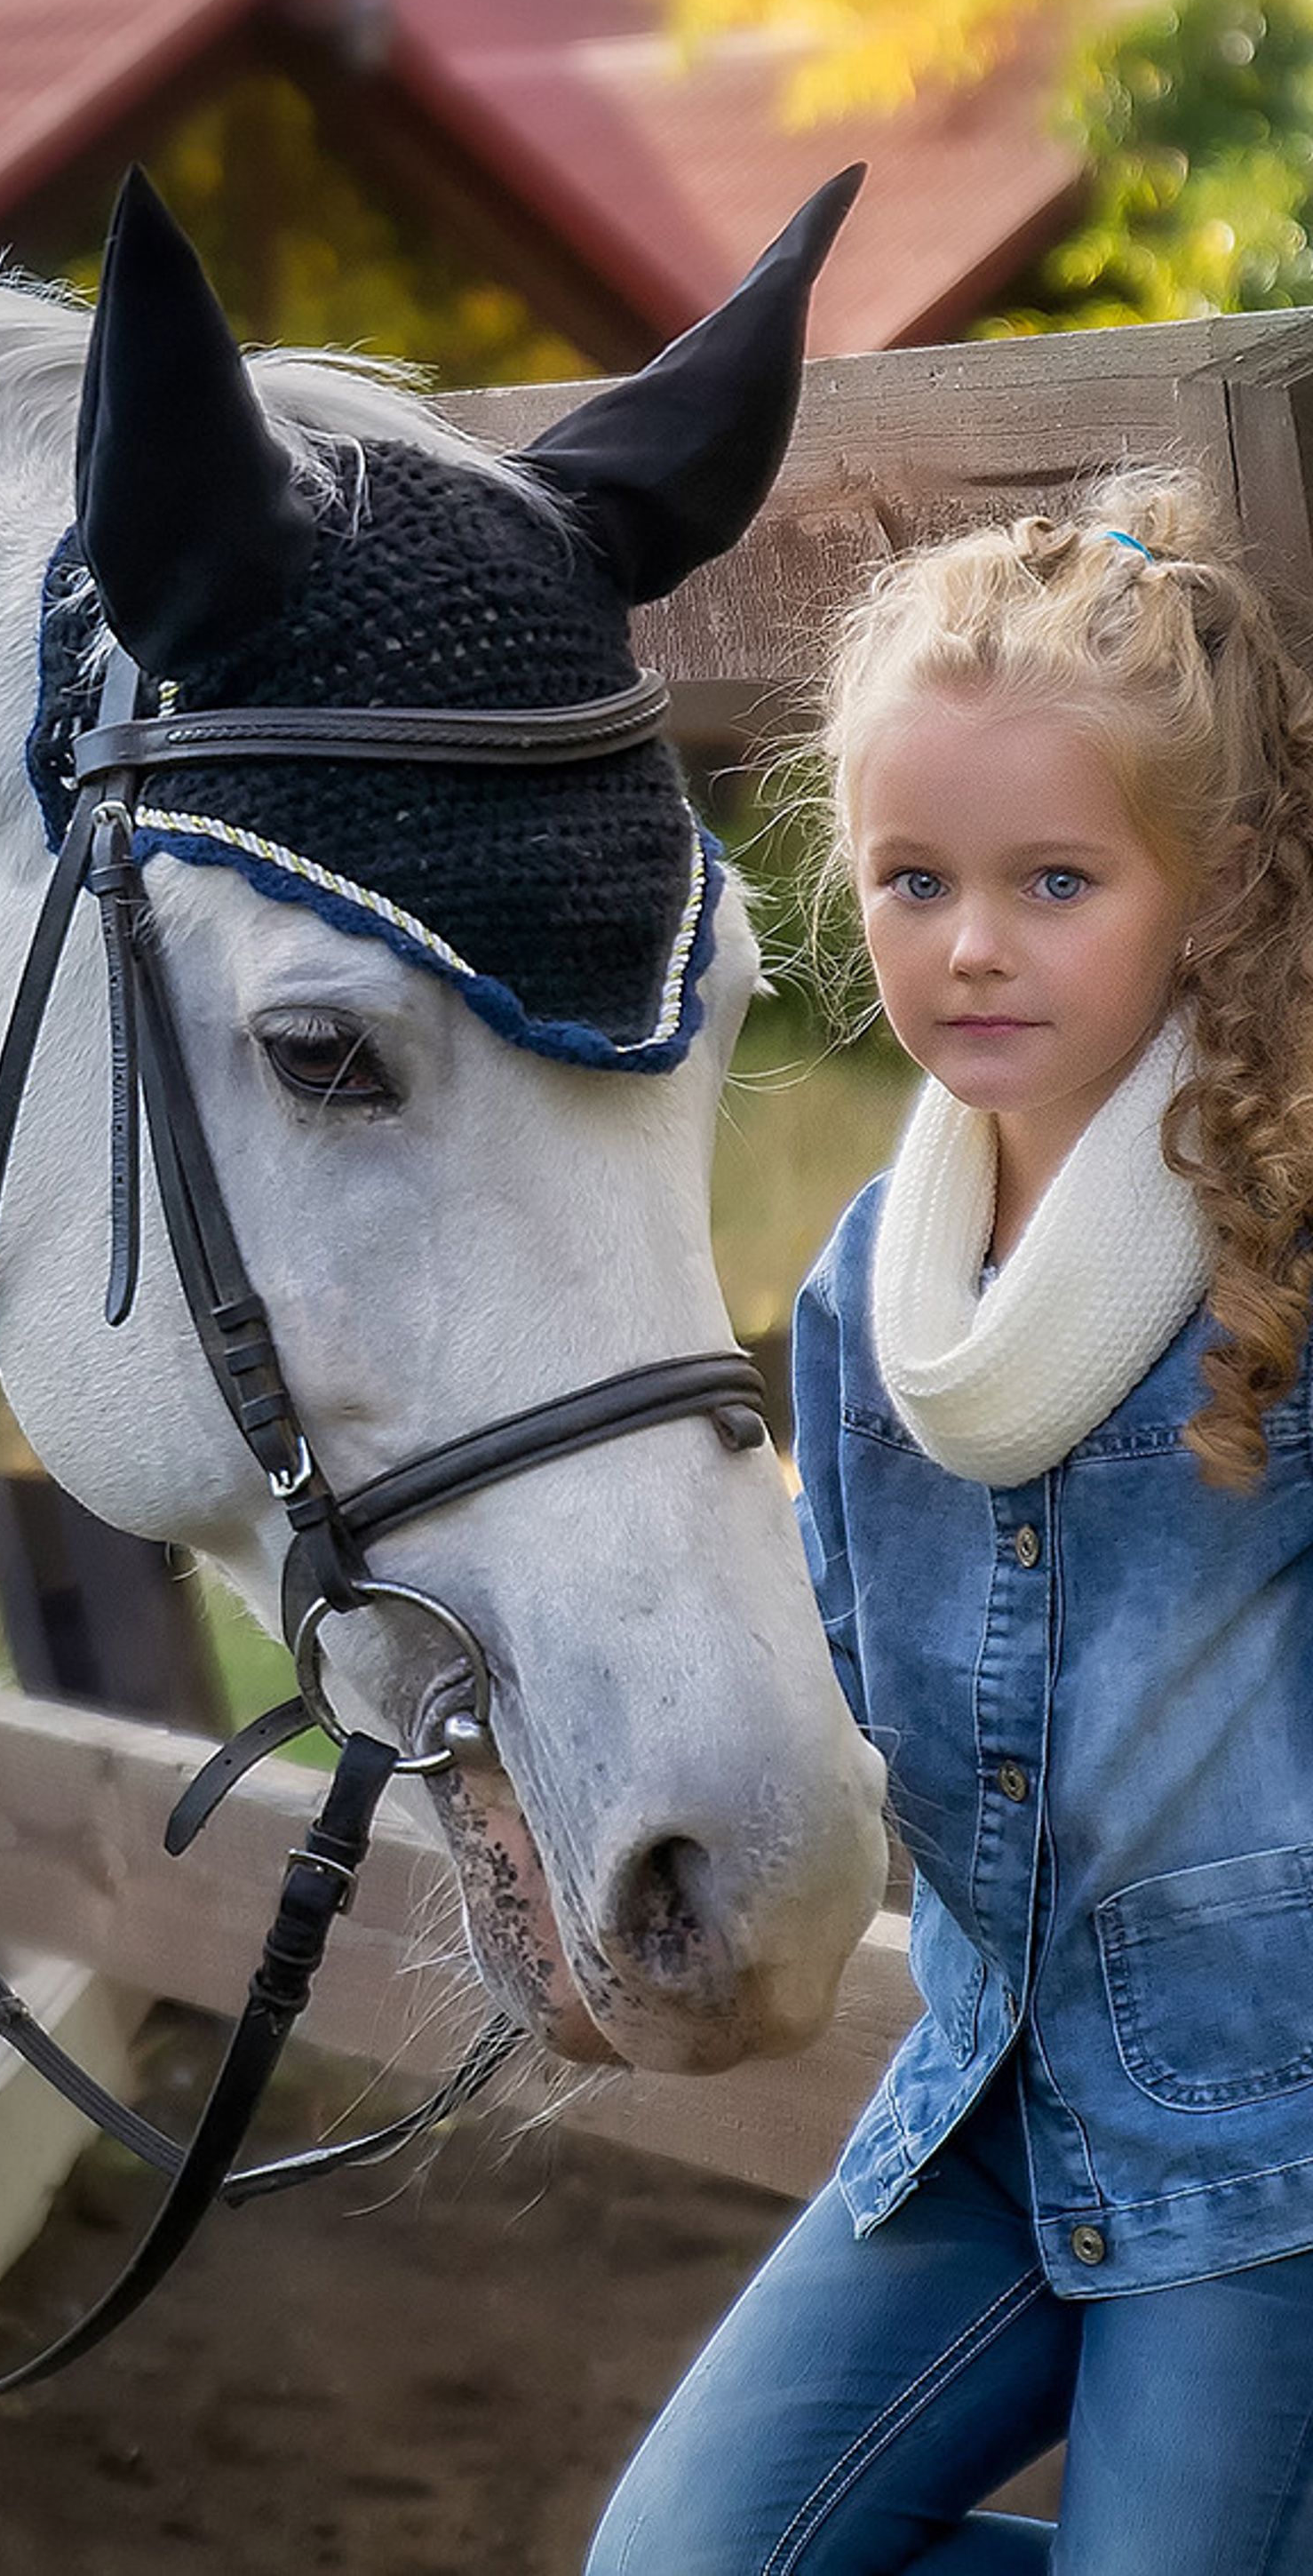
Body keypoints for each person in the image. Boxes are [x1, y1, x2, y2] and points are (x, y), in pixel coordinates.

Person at [585, 472, 1313, 2574]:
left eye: (1053, 881)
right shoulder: (860, 1291)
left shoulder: (1275, 1245)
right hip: (987, 2099)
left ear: (1212, 890)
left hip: (1263, 2137)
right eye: (911, 881)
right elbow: (839, 1670)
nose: (967, 942)